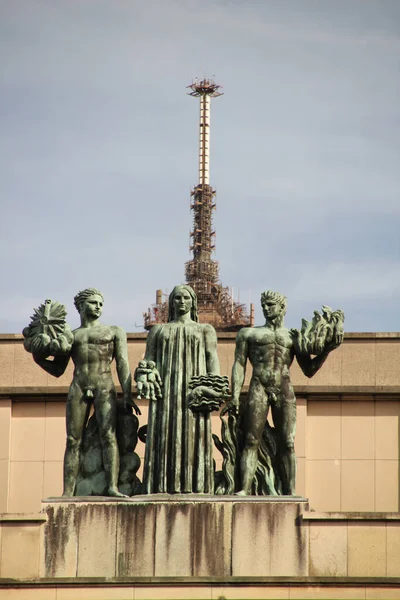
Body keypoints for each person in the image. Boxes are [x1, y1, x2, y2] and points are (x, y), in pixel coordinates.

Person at [227, 290, 342, 495]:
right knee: (252, 440)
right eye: (264, 305)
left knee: (287, 442)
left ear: (282, 307)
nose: (266, 308)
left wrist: (326, 350)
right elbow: (239, 364)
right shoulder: (249, 334)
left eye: (271, 304)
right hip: (258, 386)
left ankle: (290, 493)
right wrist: (234, 395)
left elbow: (309, 370)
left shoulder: (293, 337)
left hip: (284, 389)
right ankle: (242, 490)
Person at [33, 288, 140, 497]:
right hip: (79, 385)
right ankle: (68, 492)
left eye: (100, 303)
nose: (98, 307)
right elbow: (58, 370)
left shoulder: (114, 331)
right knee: (73, 440)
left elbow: (123, 364)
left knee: (108, 436)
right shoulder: (72, 336)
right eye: (93, 303)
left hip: (104, 384)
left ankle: (112, 487)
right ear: (81, 306)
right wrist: (39, 360)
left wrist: (127, 394)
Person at [141, 284, 219, 494]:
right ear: (171, 302)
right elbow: (147, 362)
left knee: (195, 436)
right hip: (166, 394)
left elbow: (213, 364)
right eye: (177, 298)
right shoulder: (159, 331)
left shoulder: (205, 330)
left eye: (186, 298)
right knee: (165, 436)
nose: (181, 302)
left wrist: (212, 391)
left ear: (193, 302)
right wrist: (146, 374)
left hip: (195, 393)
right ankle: (161, 486)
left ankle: (197, 487)